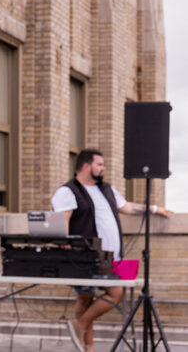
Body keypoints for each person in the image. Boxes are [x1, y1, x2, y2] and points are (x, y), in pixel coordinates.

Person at [52, 148, 172, 352]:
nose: (103, 168)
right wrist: (64, 240)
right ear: (86, 166)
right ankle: (85, 340)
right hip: (86, 258)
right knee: (94, 298)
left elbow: (126, 207)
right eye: (99, 164)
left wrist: (154, 209)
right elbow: (63, 219)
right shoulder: (68, 191)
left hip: (112, 257)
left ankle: (82, 335)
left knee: (92, 301)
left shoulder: (106, 189)